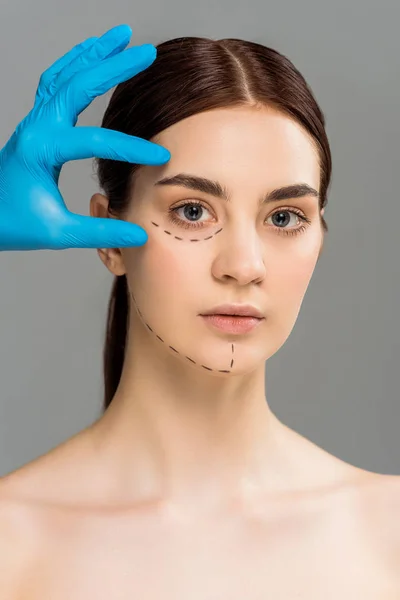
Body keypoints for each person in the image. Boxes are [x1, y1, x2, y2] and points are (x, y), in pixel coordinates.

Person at [0, 23, 399, 599]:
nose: (243, 264)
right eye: (192, 211)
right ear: (108, 236)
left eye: (284, 217)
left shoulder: (387, 534)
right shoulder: (13, 545)